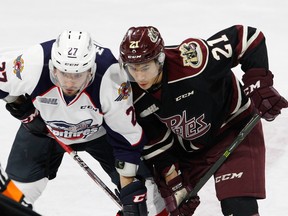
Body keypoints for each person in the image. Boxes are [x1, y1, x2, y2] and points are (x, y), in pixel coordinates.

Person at [119, 25, 288, 215]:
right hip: (189, 147)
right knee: (167, 207)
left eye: (145, 67)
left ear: (160, 59)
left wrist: (258, 84)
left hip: (234, 130)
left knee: (238, 207)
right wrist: (173, 179)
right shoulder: (130, 92)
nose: (139, 76)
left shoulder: (192, 61)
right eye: (132, 68)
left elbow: (247, 37)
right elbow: (154, 138)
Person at [0, 30, 168, 216]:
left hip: (99, 132)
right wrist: (20, 106)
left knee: (148, 200)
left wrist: (129, 191)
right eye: (64, 73)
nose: (70, 82)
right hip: (45, 129)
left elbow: (125, 136)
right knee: (10, 200)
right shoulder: (34, 62)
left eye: (78, 74)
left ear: (90, 70)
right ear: (53, 67)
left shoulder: (110, 77)